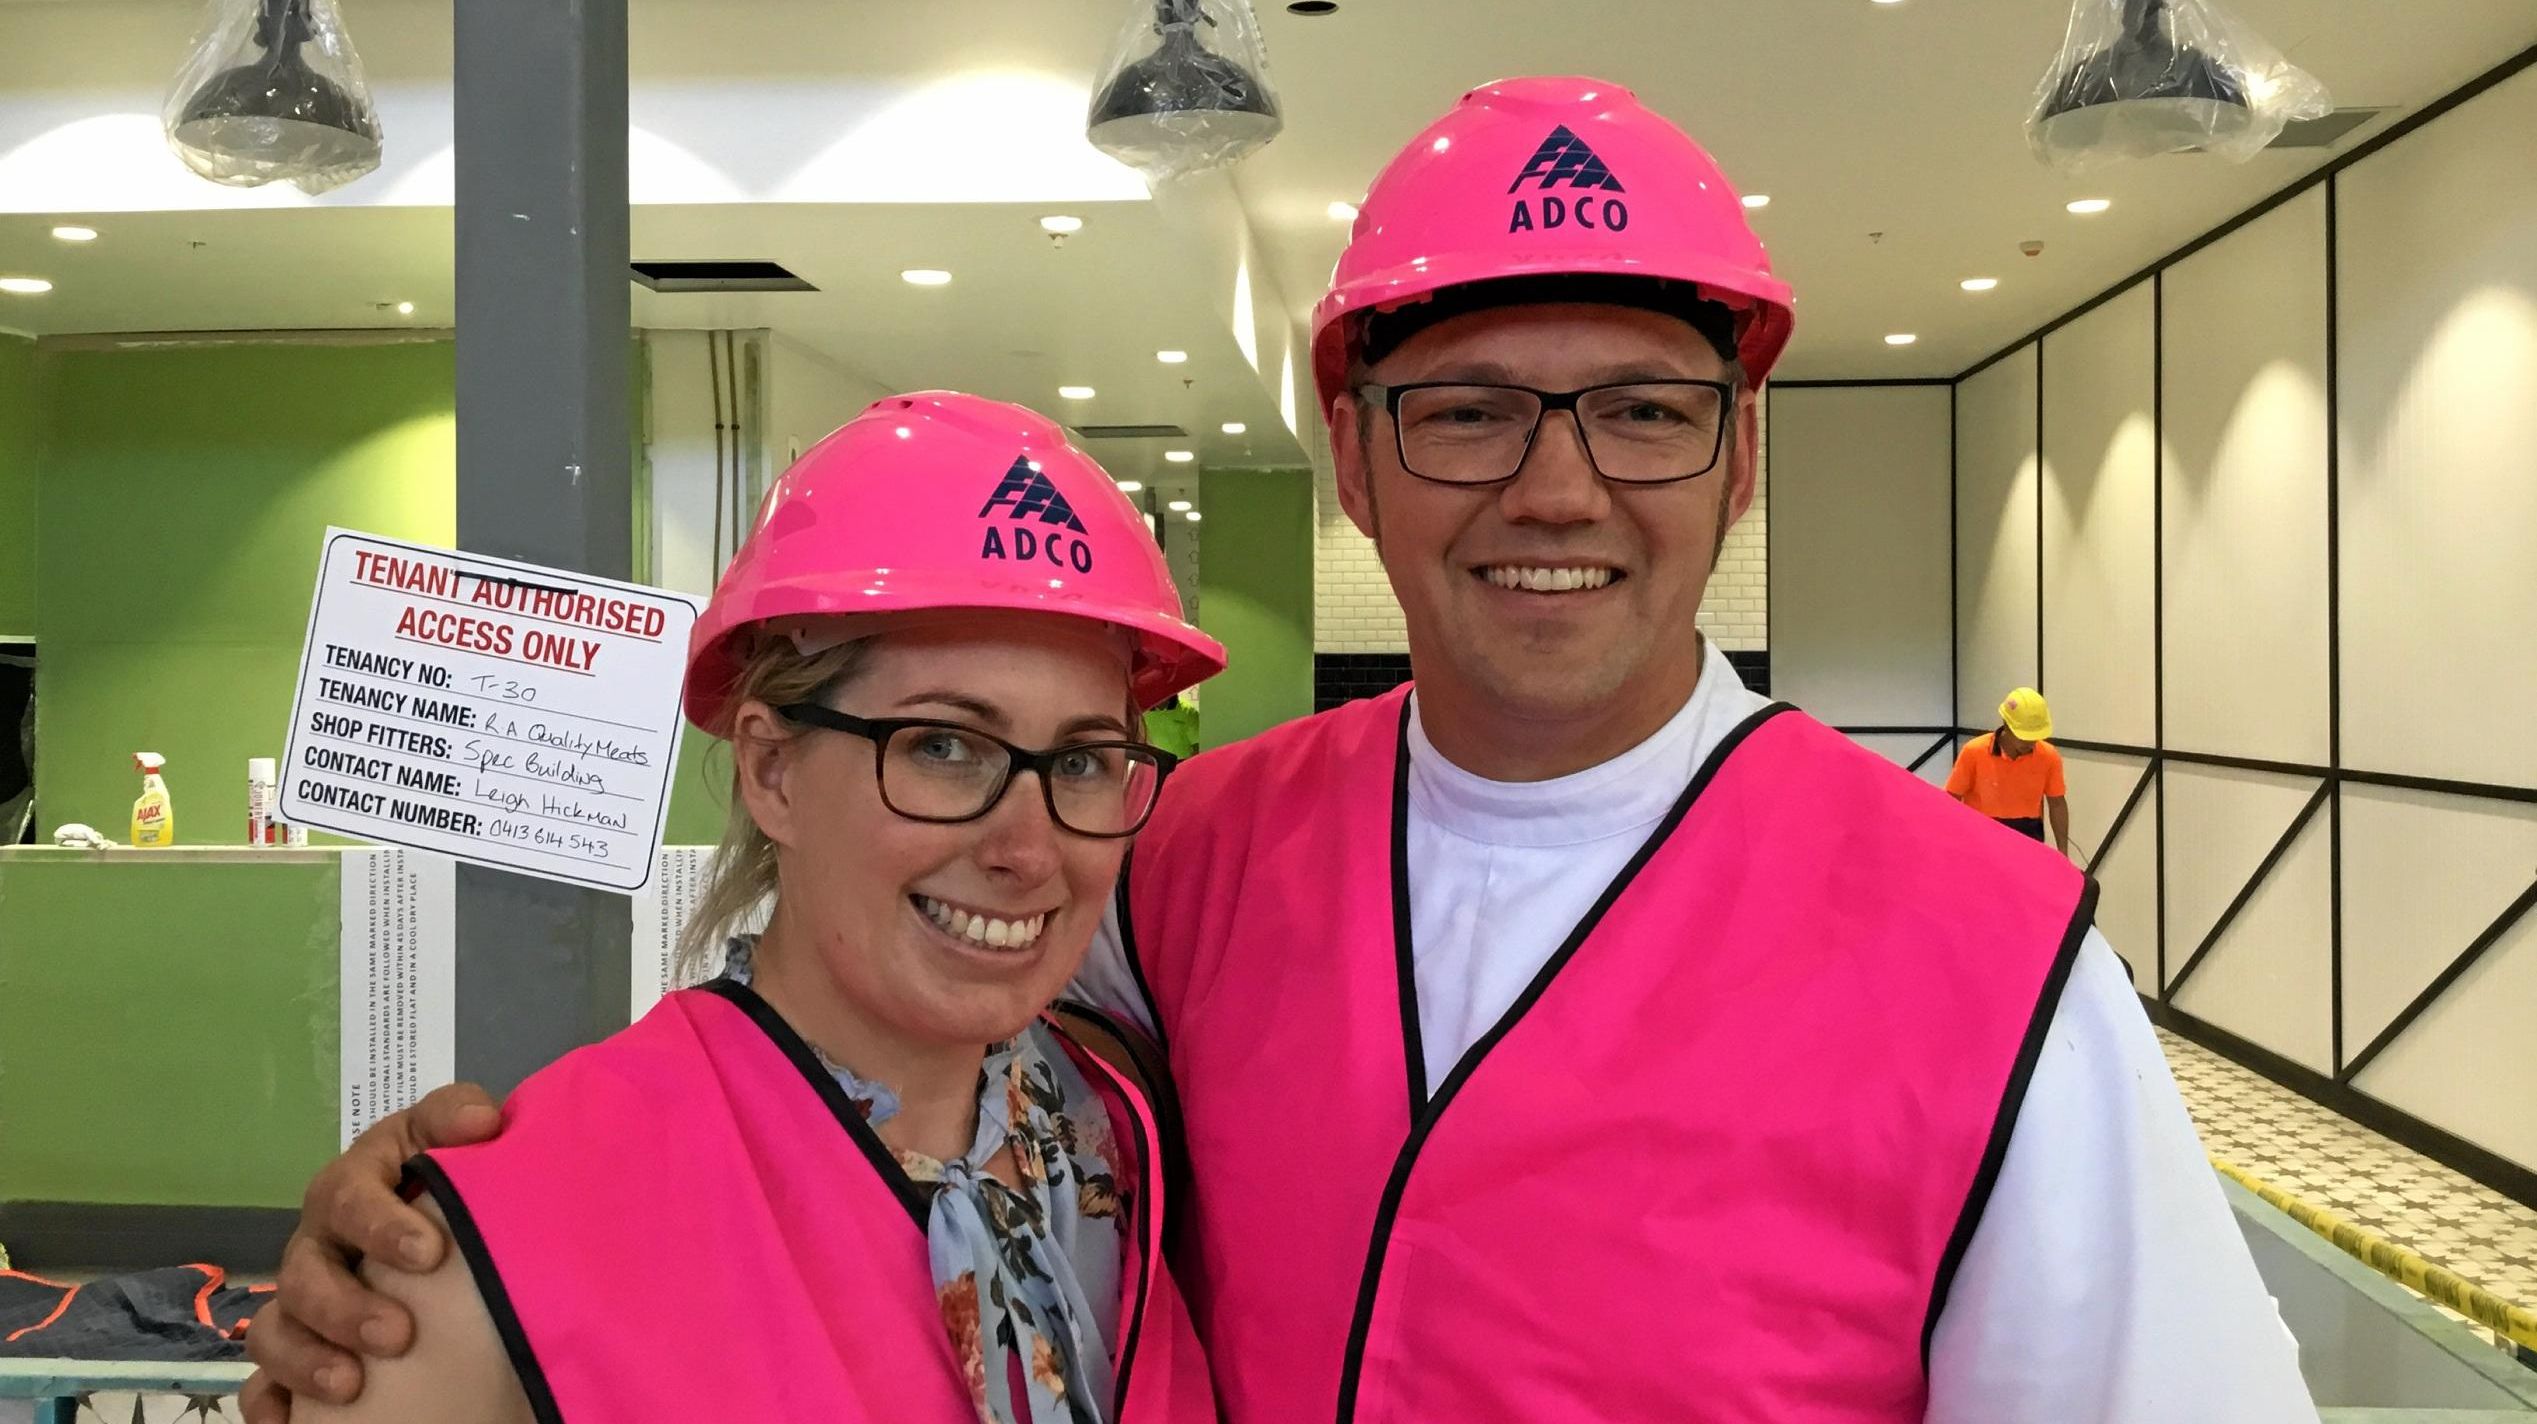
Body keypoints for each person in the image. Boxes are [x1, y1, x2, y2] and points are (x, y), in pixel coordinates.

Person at [247, 79, 2318, 1423]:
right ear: (1353, 457)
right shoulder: (1194, 850)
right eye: (1465, 408)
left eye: (1640, 406)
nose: (1554, 485)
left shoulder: (1992, 958)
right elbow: (849, 1028)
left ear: (1736, 446)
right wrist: (448, 1221)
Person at [293, 393, 1221, 1424]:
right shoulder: (490, 1249)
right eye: (943, 746)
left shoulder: (1119, 1139)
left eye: (1083, 760)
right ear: (771, 768)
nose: (1025, 848)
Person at [1946, 687, 2073, 853]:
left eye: (2035, 737)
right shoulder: (1974, 752)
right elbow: (1951, 798)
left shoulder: (2049, 756)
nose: (2030, 743)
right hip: (1979, 834)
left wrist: (2063, 853)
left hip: (2028, 834)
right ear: (2006, 724)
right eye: (2024, 736)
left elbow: (2057, 803)